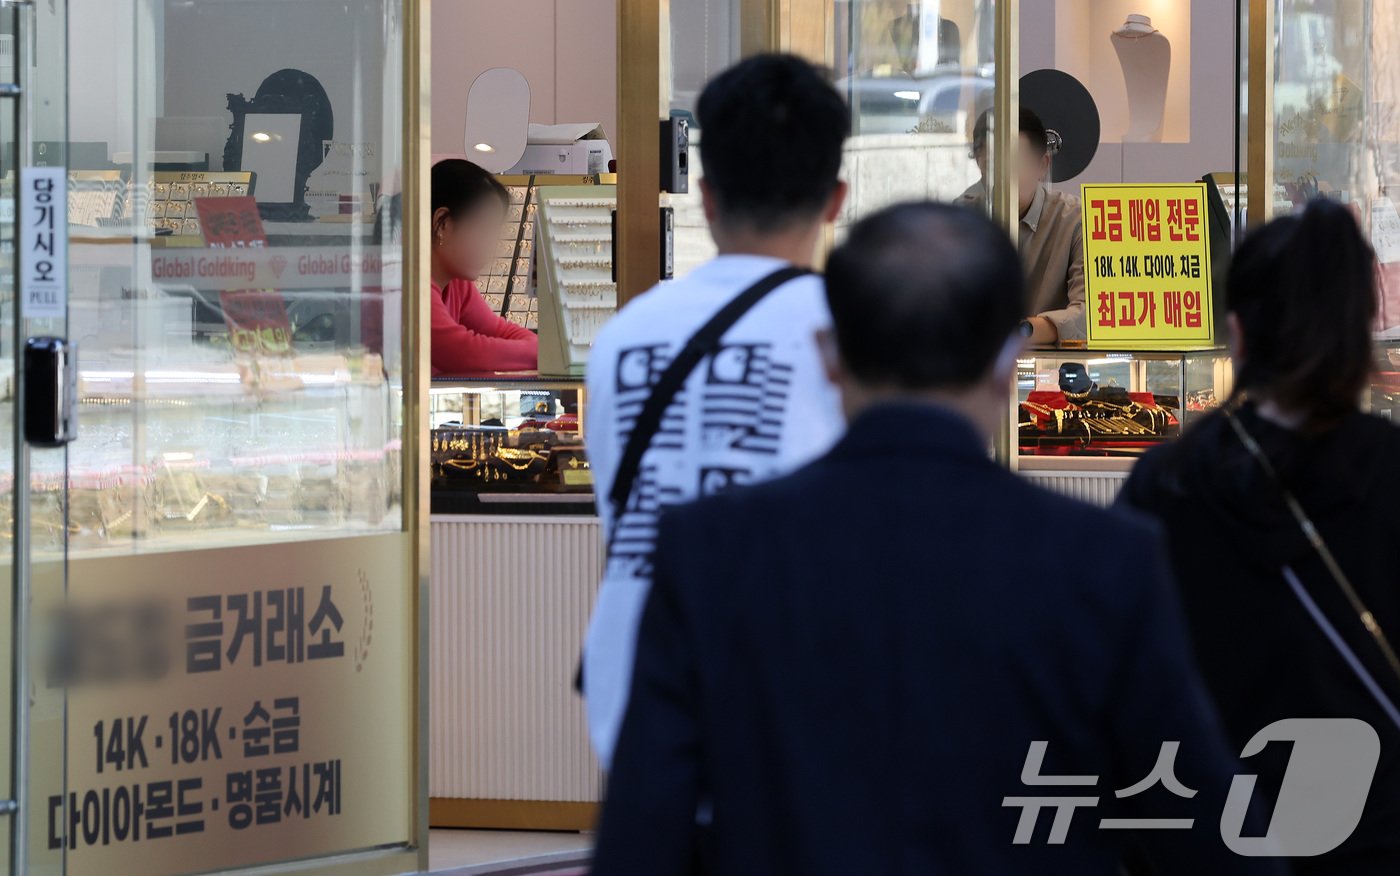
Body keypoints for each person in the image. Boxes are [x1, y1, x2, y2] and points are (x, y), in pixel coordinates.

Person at [591, 202, 1282, 875]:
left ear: (830, 354)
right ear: (1010, 364)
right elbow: (1210, 831)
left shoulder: (708, 550)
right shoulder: (1106, 561)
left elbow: (642, 833)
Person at [581, 54, 849, 767]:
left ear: (703, 196)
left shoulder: (623, 337)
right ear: (836, 199)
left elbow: (617, 504)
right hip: (790, 693)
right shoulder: (848, 337)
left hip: (636, 683)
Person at [1120, 199, 1400, 873]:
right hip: (1377, 836)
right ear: (1363, 332)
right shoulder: (1390, 469)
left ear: (1238, 335)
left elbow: (1119, 678)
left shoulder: (1170, 481)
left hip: (1207, 836)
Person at [961, 107, 1085, 343]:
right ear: (979, 164)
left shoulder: (1075, 220)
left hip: (1049, 372)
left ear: (1042, 165)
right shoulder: (961, 218)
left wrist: (1019, 332)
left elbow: (1090, 316)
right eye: (991, 165)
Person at [429, 158, 538, 375]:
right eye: (483, 229)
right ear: (443, 223)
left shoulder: (457, 283)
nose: (490, 246)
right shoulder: (409, 285)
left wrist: (539, 350)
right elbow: (466, 353)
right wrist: (543, 353)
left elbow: (500, 330)